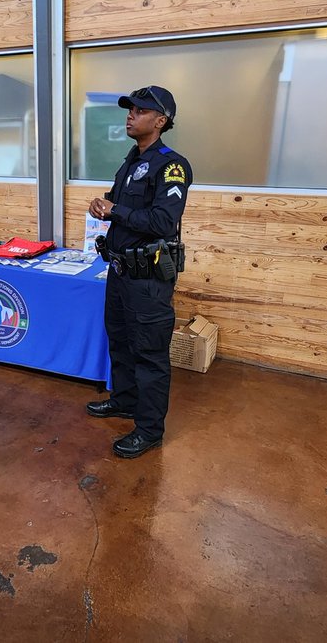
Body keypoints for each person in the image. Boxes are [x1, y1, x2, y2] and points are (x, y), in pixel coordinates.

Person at [85, 86, 192, 459]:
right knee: (120, 341)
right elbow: (121, 207)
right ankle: (125, 400)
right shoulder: (131, 160)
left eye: (140, 110)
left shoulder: (172, 165)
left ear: (160, 121)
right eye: (130, 109)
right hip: (119, 270)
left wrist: (114, 210)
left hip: (148, 278)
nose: (130, 115)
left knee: (149, 353)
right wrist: (102, 205)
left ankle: (149, 430)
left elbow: (163, 221)